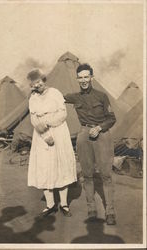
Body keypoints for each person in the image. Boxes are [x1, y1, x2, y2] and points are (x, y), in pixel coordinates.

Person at [64, 63, 116, 225]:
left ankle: (110, 211)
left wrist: (100, 128)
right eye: (80, 77)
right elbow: (55, 97)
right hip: (84, 135)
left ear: (92, 77)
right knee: (87, 175)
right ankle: (91, 209)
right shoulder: (74, 97)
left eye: (86, 76)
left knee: (106, 175)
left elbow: (112, 118)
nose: (84, 80)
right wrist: (38, 88)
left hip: (102, 135)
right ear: (77, 79)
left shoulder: (102, 96)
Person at [27, 69, 77, 217]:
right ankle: (50, 205)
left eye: (39, 81)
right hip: (41, 135)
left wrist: (48, 122)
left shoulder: (55, 93)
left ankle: (64, 204)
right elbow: (33, 118)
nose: (38, 85)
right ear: (32, 86)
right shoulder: (33, 98)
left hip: (58, 132)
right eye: (34, 83)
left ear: (43, 80)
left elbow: (63, 113)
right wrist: (43, 133)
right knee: (44, 166)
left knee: (60, 164)